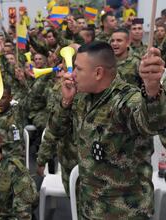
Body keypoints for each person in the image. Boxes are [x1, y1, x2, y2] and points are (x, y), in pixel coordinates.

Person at [48, 41, 166, 219]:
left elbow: (151, 124)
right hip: (89, 206)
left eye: (78, 69)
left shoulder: (124, 100)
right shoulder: (82, 97)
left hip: (124, 212)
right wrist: (66, 102)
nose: (72, 74)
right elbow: (56, 131)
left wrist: (152, 90)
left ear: (98, 73)